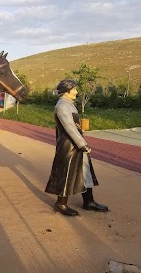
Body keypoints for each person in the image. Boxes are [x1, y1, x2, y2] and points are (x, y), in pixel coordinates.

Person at [45, 79, 108, 216]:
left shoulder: (69, 104)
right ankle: (60, 204)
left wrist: (81, 143)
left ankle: (88, 201)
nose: (76, 92)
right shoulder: (62, 106)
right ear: (67, 91)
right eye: (74, 89)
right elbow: (70, 128)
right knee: (67, 173)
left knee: (85, 171)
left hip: (76, 143)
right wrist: (82, 144)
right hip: (69, 145)